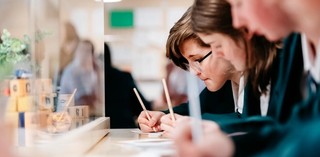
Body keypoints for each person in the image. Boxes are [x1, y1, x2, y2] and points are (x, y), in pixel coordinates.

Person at [173, 0, 320, 156]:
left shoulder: (287, 48)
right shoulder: (295, 43)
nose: (238, 22)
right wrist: (228, 145)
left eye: (239, 4)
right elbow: (293, 126)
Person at [138, 4, 279, 136]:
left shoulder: (272, 71)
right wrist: (162, 117)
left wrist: (204, 127)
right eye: (188, 63)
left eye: (198, 60)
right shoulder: (222, 85)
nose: (194, 72)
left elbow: (261, 127)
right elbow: (193, 111)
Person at [104, 42, 152, 128]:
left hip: (102, 130)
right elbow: (143, 106)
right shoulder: (124, 77)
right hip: (125, 128)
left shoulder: (92, 82)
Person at [60, 40, 103, 117]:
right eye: (81, 50)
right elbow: (85, 99)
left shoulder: (90, 71)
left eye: (87, 51)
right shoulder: (72, 71)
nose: (84, 54)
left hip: (82, 116)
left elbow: (99, 98)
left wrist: (98, 72)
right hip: (67, 117)